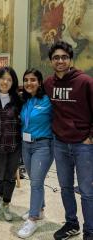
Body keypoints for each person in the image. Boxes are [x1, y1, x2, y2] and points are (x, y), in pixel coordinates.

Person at [44, 40, 93, 240]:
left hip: (83, 145)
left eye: (64, 57)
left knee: (87, 191)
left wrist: (90, 137)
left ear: (71, 59)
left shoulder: (85, 82)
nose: (60, 61)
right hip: (60, 143)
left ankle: (90, 230)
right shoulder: (48, 83)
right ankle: (71, 223)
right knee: (65, 187)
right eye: (56, 57)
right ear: (51, 61)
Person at [17, 68, 53, 238]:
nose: (29, 83)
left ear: (40, 82)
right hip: (26, 145)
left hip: (43, 146)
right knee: (34, 180)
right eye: (26, 80)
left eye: (33, 80)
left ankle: (32, 219)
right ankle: (40, 209)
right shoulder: (24, 100)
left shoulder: (48, 101)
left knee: (36, 183)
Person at [0, 66, 22, 221]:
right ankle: (0, 196)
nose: (5, 82)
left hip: (14, 144)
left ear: (13, 82)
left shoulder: (18, 99)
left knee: (10, 176)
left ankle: (7, 204)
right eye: (2, 78)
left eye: (9, 79)